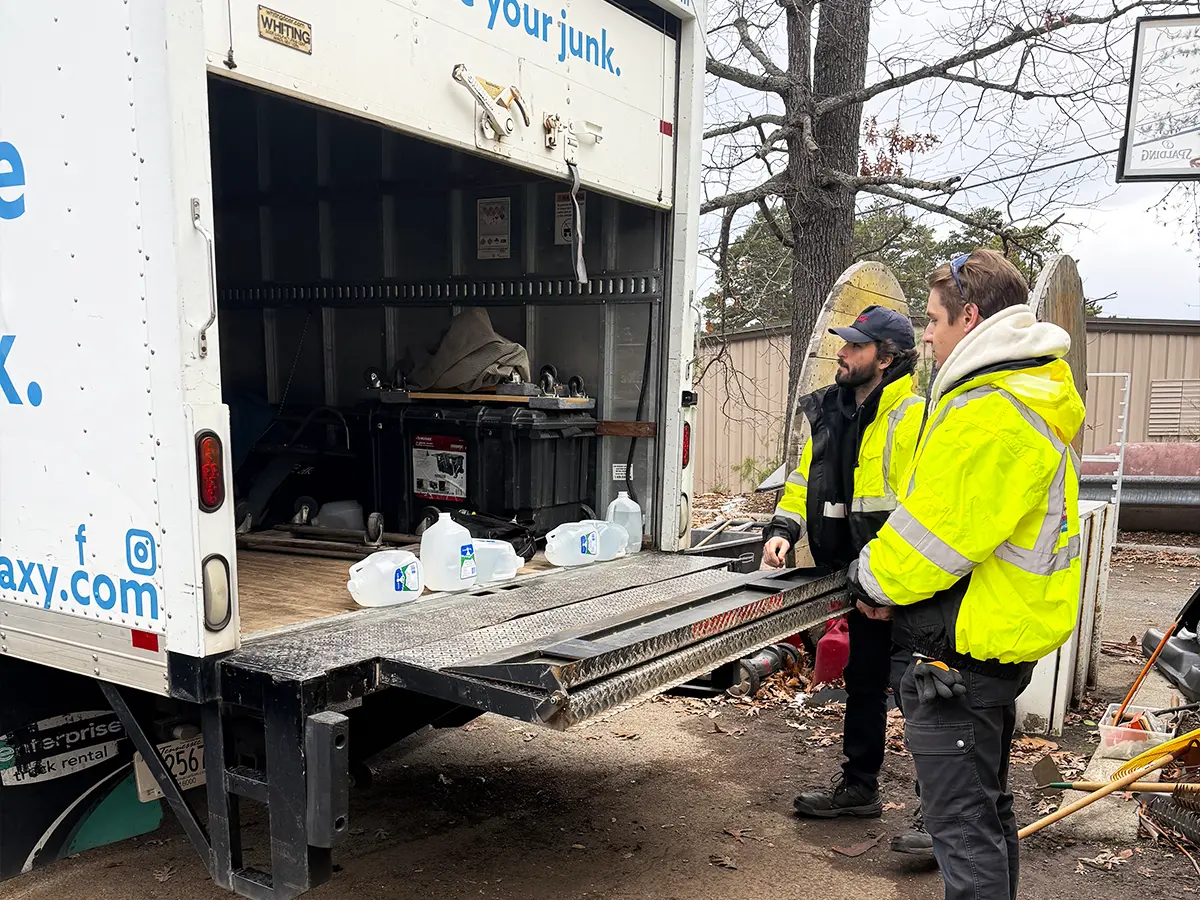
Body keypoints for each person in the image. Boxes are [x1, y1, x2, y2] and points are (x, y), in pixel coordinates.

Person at [850, 249, 1085, 900]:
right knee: (987, 812)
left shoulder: (991, 410)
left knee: (960, 825)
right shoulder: (1026, 393)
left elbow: (939, 535)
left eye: (933, 320)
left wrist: (871, 579)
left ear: (971, 317)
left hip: (960, 652)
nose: (926, 335)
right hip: (992, 639)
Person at [761, 304, 928, 852]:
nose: (843, 351)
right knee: (864, 680)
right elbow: (803, 481)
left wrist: (893, 578)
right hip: (858, 578)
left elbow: (922, 507)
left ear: (887, 359)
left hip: (908, 579)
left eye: (857, 345)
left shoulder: (915, 417)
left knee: (924, 693)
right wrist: (783, 529)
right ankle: (859, 788)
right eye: (845, 342)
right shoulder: (830, 410)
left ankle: (938, 811)